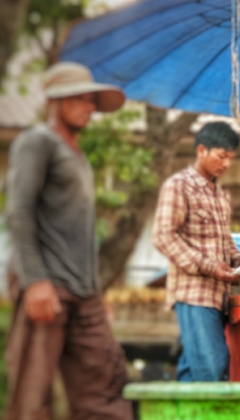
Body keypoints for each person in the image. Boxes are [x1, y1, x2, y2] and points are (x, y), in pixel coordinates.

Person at [4, 61, 133, 419]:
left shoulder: (78, 156)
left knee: (106, 384)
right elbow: (19, 211)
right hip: (47, 285)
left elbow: (78, 232)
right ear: (55, 102)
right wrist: (34, 281)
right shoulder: (37, 141)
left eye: (91, 100)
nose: (88, 107)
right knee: (33, 397)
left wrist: (95, 290)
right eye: (78, 99)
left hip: (83, 292)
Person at [152, 121, 240, 381]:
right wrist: (208, 265)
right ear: (202, 150)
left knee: (194, 372)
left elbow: (225, 241)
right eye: (221, 156)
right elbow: (163, 236)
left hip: (220, 297)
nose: (226, 164)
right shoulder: (178, 186)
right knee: (213, 367)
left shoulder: (220, 195)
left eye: (230, 159)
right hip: (193, 295)